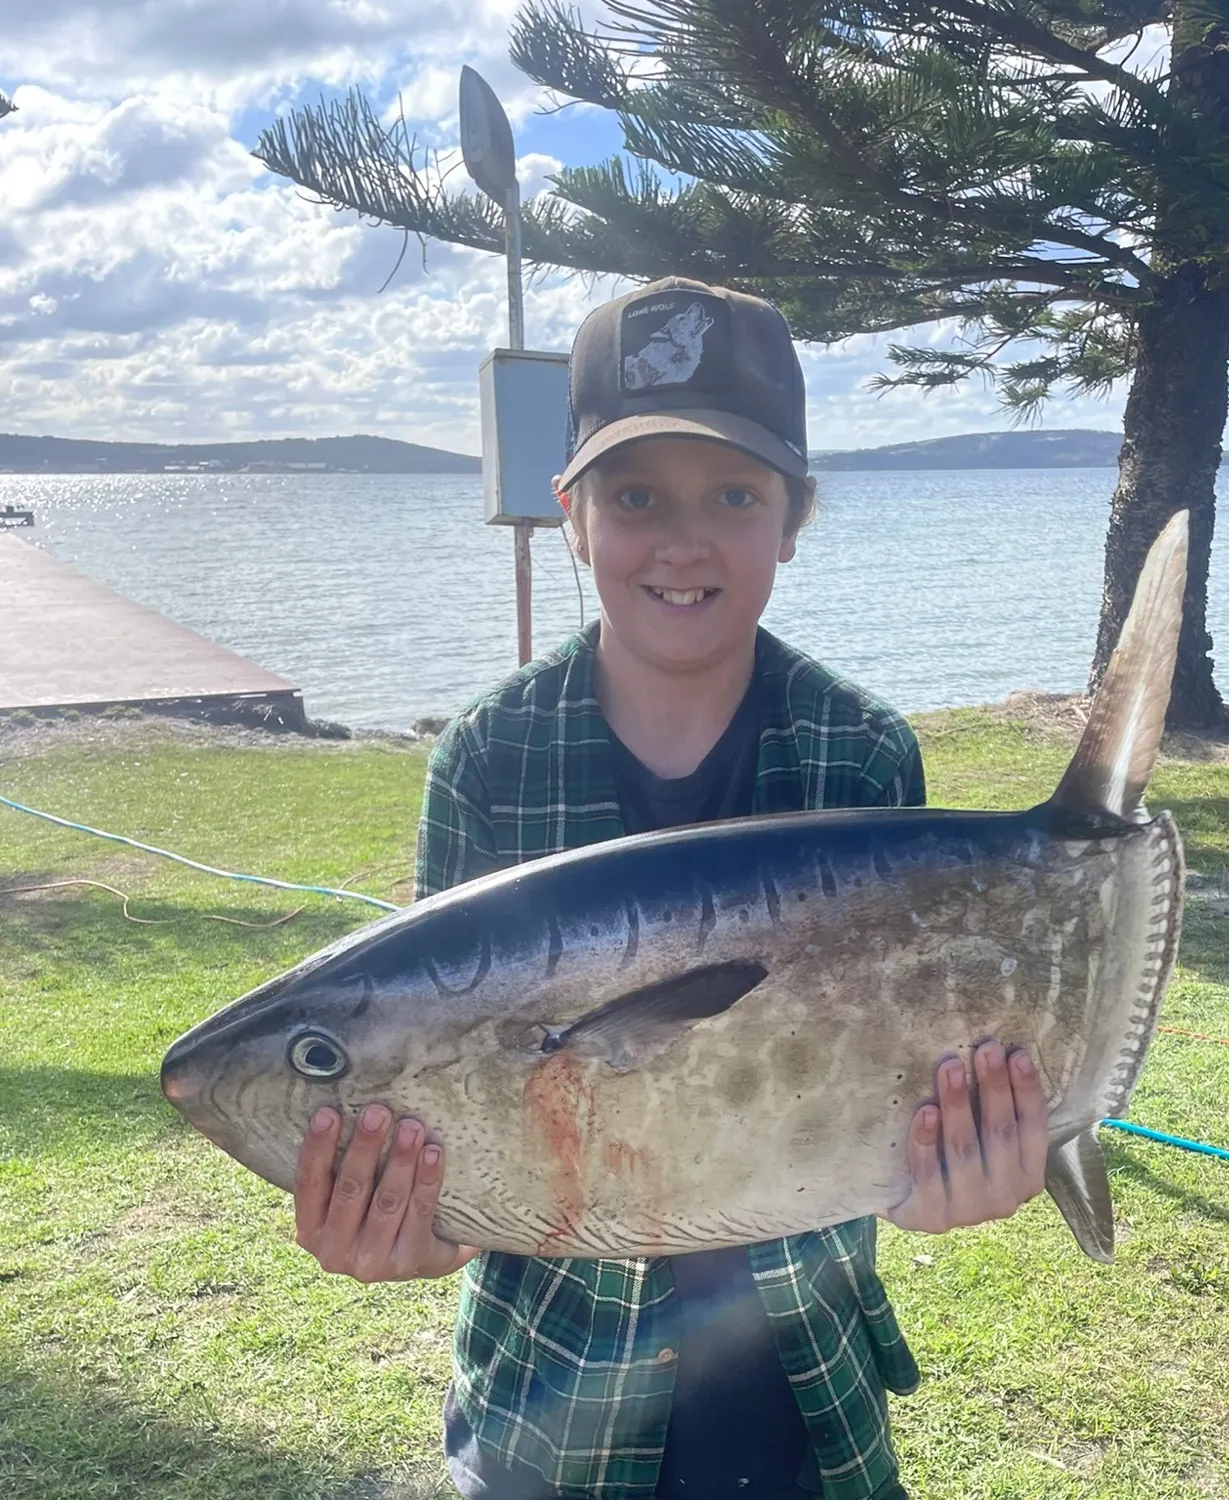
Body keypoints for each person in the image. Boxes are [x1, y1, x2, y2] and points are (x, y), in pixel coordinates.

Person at [292, 277, 1050, 1500]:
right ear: (572, 516)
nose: (682, 542)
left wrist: (947, 1167)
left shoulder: (861, 753)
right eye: (636, 495)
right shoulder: (490, 759)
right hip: (550, 1412)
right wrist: (400, 1225)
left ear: (793, 517)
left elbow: (897, 1070)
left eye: (733, 495)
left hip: (810, 1400)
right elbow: (430, 1085)